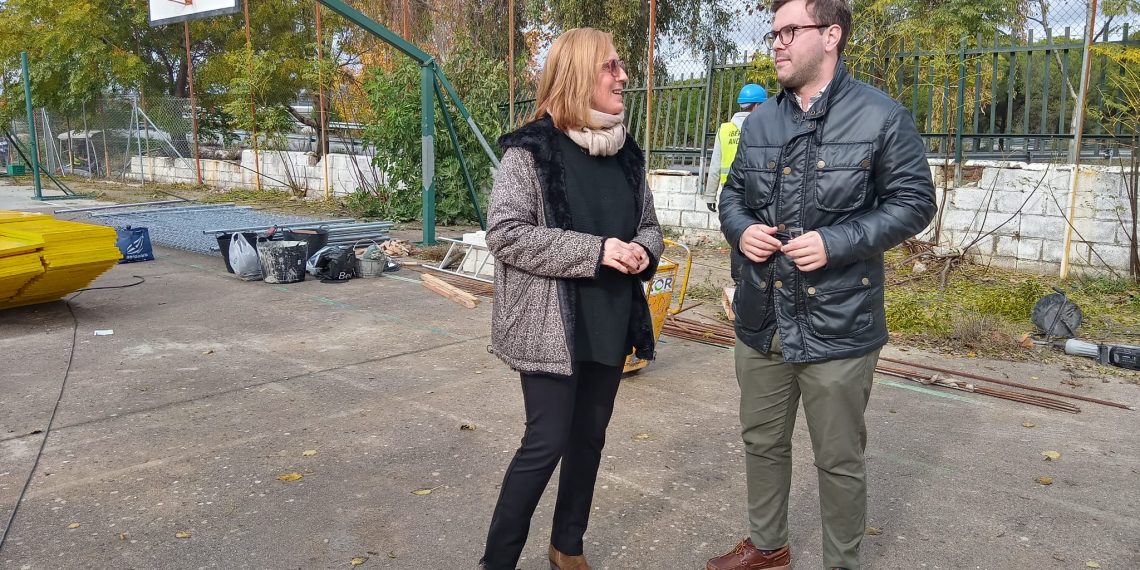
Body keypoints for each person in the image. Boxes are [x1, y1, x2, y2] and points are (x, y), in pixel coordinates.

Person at [707, 1, 936, 569]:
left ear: (831, 35)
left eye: (790, 31)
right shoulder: (759, 122)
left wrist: (838, 242)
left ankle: (842, 563)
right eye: (774, 32)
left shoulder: (880, 116)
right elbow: (731, 197)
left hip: (838, 319)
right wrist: (743, 231)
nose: (777, 43)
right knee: (761, 442)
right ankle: (768, 546)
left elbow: (914, 203)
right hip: (762, 315)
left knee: (838, 459)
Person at [476, 27, 664, 570]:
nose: (623, 76)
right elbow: (505, 234)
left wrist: (640, 253)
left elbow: (649, 225)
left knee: (589, 439)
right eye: (611, 66)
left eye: (621, 66)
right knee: (546, 443)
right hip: (549, 326)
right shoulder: (530, 150)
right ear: (578, 73)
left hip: (608, 317)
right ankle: (497, 561)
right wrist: (598, 250)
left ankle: (568, 545)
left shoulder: (626, 152)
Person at [703, 83, 767, 284]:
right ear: (757, 106)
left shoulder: (725, 129)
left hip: (730, 192)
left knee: (739, 232)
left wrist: (710, 196)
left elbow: (714, 167)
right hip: (759, 189)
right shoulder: (764, 126)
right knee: (759, 234)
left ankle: (739, 279)